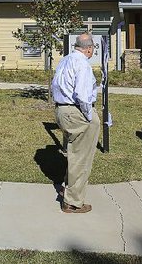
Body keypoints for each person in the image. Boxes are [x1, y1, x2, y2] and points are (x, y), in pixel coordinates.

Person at [51, 33, 101, 213]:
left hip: (62, 109)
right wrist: (89, 116)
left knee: (74, 153)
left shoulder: (65, 60)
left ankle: (69, 189)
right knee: (81, 157)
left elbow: (56, 85)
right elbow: (82, 94)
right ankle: (72, 202)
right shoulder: (83, 64)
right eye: (93, 48)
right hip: (77, 111)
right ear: (89, 48)